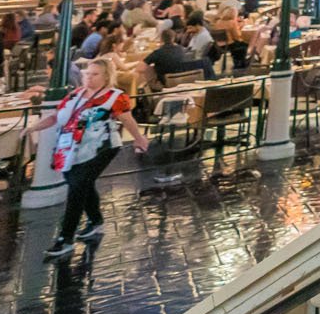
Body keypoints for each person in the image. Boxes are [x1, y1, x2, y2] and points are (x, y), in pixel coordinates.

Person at [39, 57, 150, 257]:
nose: (89, 78)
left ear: (106, 76)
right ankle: (95, 221)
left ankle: (66, 238)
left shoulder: (115, 97)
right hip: (72, 148)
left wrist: (139, 139)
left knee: (78, 185)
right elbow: (57, 117)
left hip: (103, 147)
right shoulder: (75, 94)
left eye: (95, 74)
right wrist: (32, 128)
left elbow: (127, 118)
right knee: (81, 182)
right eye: (87, 74)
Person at [141, 26, 210, 88]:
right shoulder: (182, 49)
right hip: (185, 82)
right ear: (173, 38)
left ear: (161, 40)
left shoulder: (157, 53)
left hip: (166, 85)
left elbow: (140, 69)